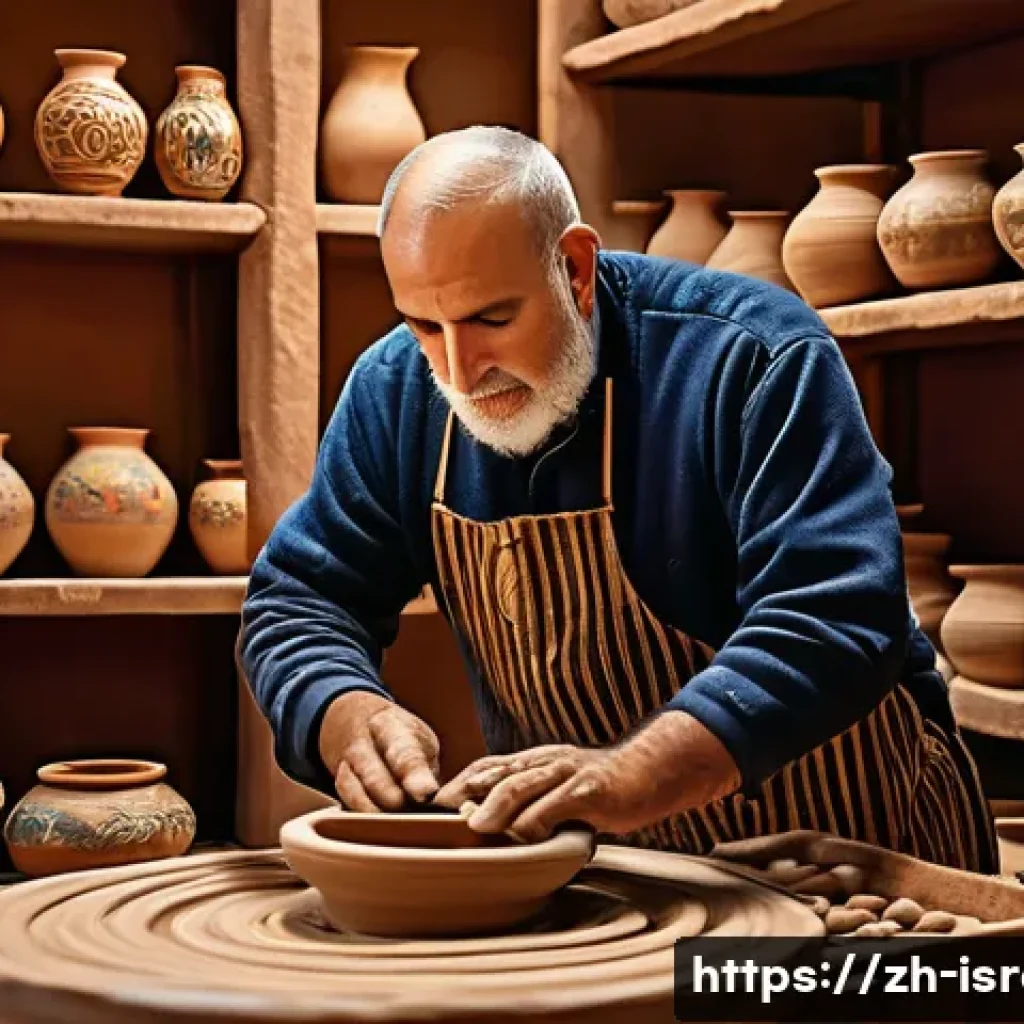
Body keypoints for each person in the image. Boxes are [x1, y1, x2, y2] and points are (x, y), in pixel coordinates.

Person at [239, 125, 997, 873]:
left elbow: (836, 614)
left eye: (491, 319)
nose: (461, 373)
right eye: (423, 325)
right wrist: (338, 707)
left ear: (574, 268)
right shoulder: (397, 389)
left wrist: (637, 773)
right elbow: (302, 597)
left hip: (847, 855)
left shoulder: (753, 357)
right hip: (609, 881)